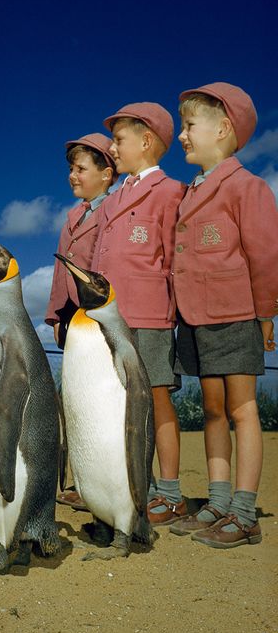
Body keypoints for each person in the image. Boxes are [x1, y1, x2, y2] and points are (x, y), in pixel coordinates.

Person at [169, 82, 278, 548]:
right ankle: (216, 501)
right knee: (212, 410)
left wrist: (267, 313)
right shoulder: (189, 193)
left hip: (235, 313)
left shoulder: (247, 187)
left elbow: (266, 255)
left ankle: (244, 510)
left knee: (242, 409)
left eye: (189, 126)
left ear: (224, 128)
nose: (182, 136)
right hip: (194, 318)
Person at [91, 102, 186, 526]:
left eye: (119, 140)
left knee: (157, 399)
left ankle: (169, 493)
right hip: (108, 319)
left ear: (146, 141)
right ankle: (132, 486)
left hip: (150, 317)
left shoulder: (171, 192)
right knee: (116, 403)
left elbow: (177, 259)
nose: (112, 147)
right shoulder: (111, 202)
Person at [46, 132, 117, 510]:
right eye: (71, 169)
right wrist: (55, 313)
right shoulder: (72, 216)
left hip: (98, 315)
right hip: (73, 319)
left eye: (81, 168)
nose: (73, 175)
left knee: (102, 400)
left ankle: (108, 481)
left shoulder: (114, 211)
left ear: (107, 174)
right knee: (75, 400)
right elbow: (61, 271)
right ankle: (82, 480)